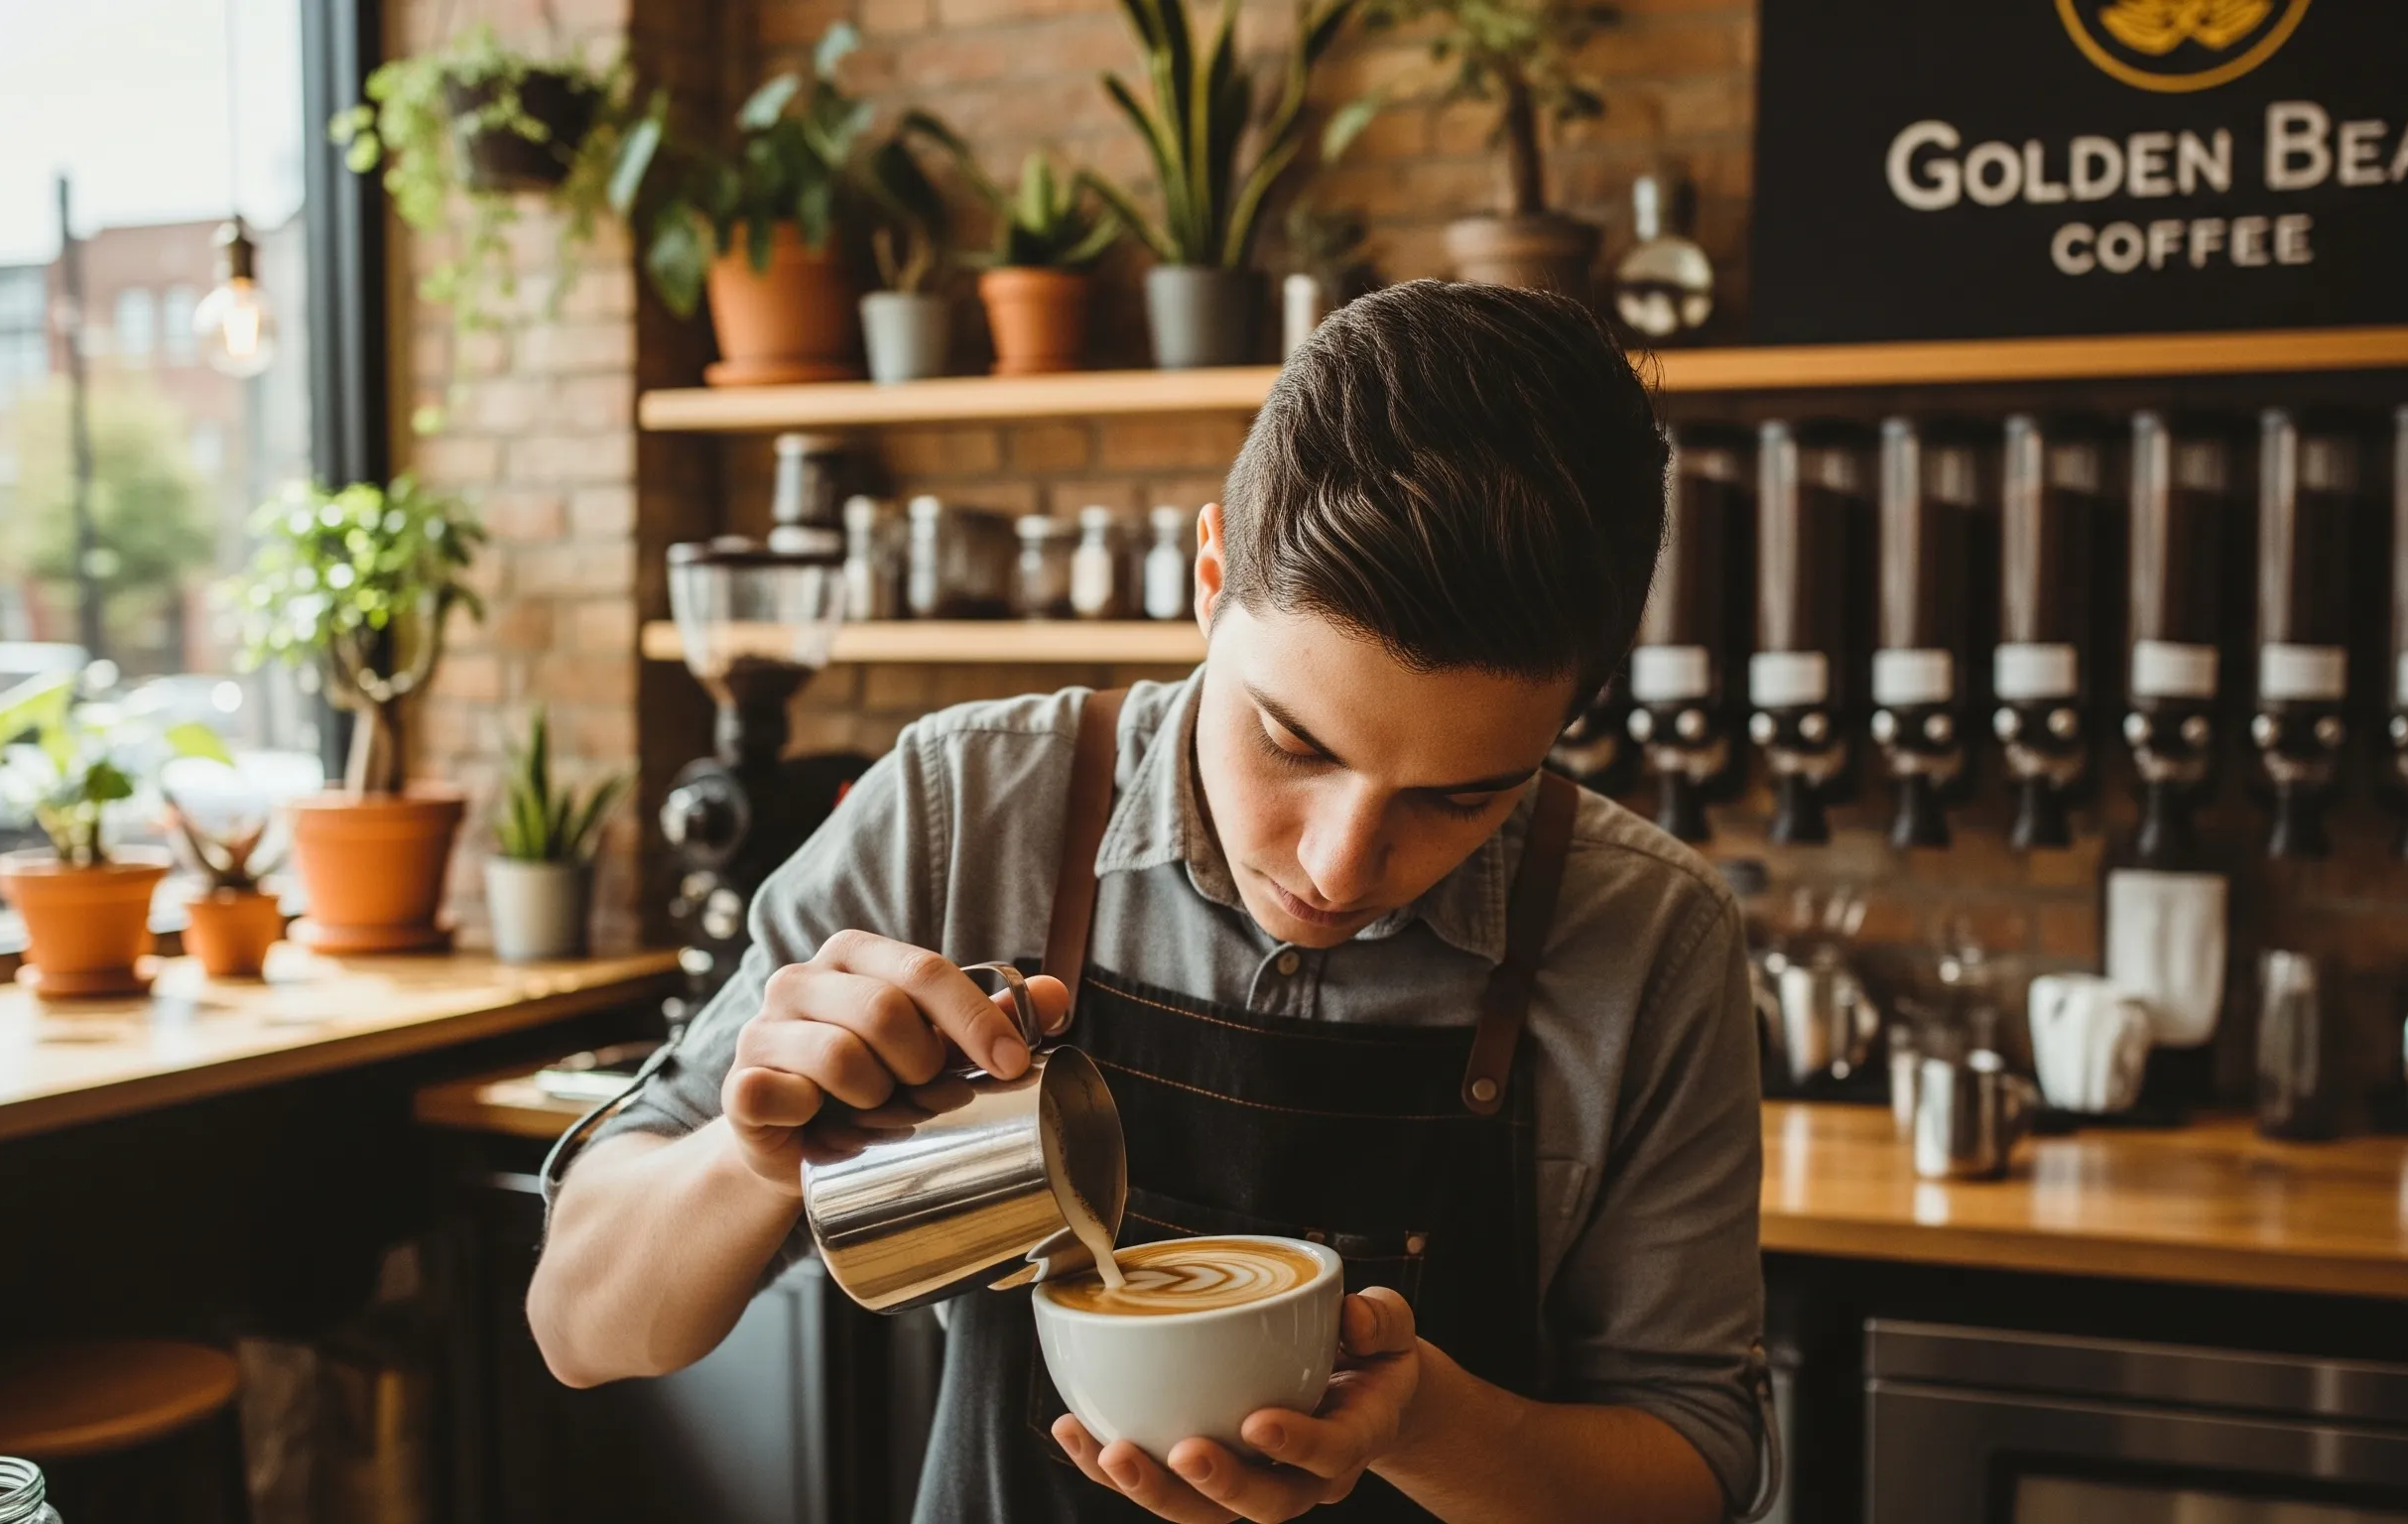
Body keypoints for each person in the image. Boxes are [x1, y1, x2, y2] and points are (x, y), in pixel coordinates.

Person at [528, 280, 1768, 1524]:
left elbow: (1694, 1471)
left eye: (1459, 799)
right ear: (1209, 574)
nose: (1336, 867)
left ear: (1571, 716)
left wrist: (1422, 1423)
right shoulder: (966, 809)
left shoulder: (1649, 934)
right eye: (1292, 743)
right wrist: (753, 1156)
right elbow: (579, 1326)